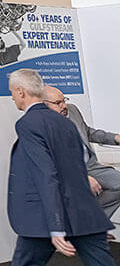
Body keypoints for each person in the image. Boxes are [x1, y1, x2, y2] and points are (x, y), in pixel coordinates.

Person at [7, 69, 112, 265]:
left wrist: (55, 227)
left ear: (21, 92)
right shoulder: (66, 122)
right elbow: (77, 166)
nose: (12, 98)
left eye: (12, 92)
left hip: (43, 218)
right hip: (83, 214)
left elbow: (45, 174)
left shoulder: (28, 124)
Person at [44, 85, 120, 220]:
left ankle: (92, 218)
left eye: (64, 100)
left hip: (90, 165)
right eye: (58, 103)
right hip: (70, 170)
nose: (64, 106)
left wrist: (115, 138)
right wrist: (82, 177)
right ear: (44, 104)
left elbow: (88, 132)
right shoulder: (43, 124)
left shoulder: (72, 110)